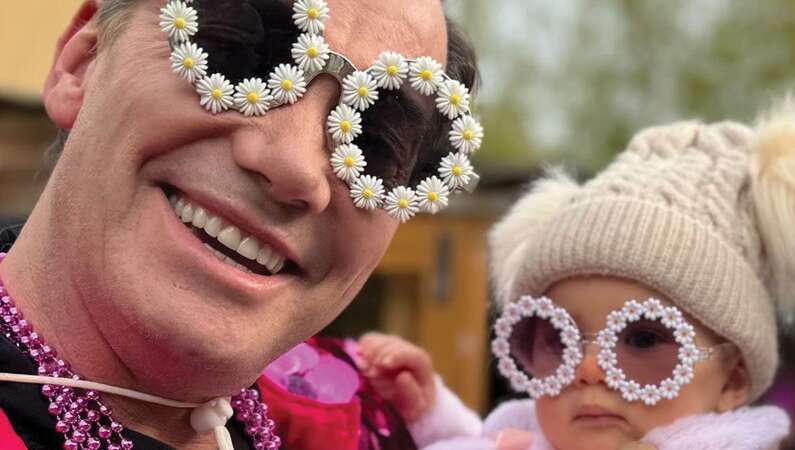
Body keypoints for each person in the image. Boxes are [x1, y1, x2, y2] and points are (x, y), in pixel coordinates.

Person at [0, 0, 482, 448]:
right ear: (81, 65)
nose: (295, 166)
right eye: (239, 57)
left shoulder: (368, 419)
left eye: (376, 139)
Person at [358, 106, 795, 449]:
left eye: (643, 338)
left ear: (733, 380)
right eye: (557, 338)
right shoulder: (537, 433)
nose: (588, 369)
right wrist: (432, 415)